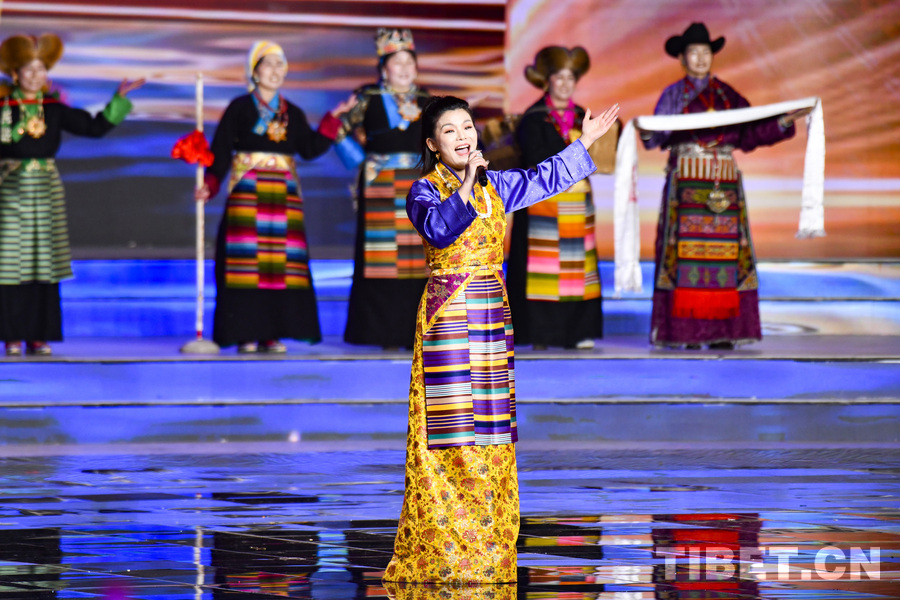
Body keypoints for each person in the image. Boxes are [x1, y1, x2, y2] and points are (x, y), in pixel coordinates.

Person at [383, 96, 618, 584]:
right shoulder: (424, 190)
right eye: (450, 130)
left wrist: (585, 142)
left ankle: (487, 543)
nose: (463, 136)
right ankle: (444, 547)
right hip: (449, 317)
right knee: (450, 433)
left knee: (490, 433)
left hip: (491, 316)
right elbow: (439, 230)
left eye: (467, 126)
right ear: (433, 144)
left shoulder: (498, 186)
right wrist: (468, 182)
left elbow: (544, 178)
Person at [641, 23, 810, 350]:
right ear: (682, 58)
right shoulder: (673, 95)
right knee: (683, 256)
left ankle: (723, 331)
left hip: (723, 181)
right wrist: (646, 131)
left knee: (727, 256)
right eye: (693, 53)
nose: (700, 58)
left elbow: (750, 133)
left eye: (705, 52)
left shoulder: (728, 96)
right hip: (686, 180)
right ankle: (685, 333)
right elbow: (655, 137)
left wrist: (784, 121)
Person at [196, 41, 355, 353]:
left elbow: (308, 149)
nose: (275, 70)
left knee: (280, 267)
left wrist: (332, 120)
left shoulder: (292, 112)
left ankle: (271, 333)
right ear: (254, 72)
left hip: (284, 196)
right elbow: (221, 150)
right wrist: (210, 183)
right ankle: (244, 333)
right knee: (244, 264)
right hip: (247, 192)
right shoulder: (239, 108)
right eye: (268, 64)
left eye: (280, 64)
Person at [0, 33, 143, 357]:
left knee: (43, 264)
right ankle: (11, 335)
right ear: (15, 74)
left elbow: (93, 127)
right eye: (28, 69)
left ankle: (39, 336)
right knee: (9, 264)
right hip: (9, 190)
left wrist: (118, 100)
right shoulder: (3, 107)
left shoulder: (53, 109)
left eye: (41, 69)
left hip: (46, 189)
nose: (36, 75)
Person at [335, 28, 431, 349]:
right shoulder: (368, 97)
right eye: (397, 62)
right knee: (381, 261)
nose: (404, 68)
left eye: (409, 61)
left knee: (420, 261)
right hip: (380, 186)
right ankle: (383, 333)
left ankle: (418, 332)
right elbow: (337, 128)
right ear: (383, 67)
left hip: (420, 187)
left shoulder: (428, 100)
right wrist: (361, 161)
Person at [508, 46, 603, 350]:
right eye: (558, 77)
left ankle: (578, 331)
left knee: (578, 268)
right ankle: (541, 332)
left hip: (577, 205)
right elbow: (533, 157)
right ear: (547, 80)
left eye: (570, 78)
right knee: (542, 268)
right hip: (543, 202)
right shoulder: (534, 117)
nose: (565, 84)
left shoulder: (583, 116)